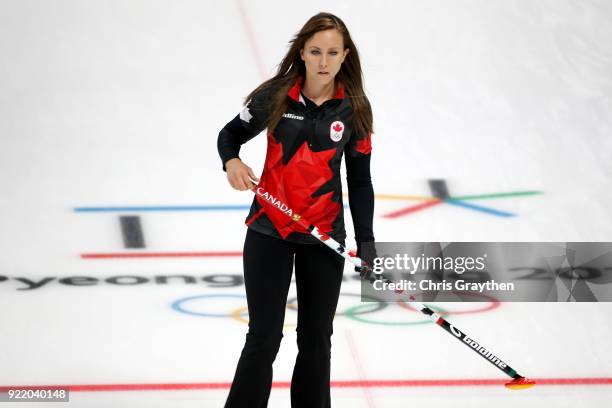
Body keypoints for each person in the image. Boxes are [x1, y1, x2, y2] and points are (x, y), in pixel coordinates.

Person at [217, 12, 375, 408]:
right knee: (265, 335)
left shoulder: (354, 109)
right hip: (268, 228)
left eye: (332, 52)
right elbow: (230, 134)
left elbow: (359, 181)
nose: (323, 61)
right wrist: (232, 161)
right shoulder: (275, 96)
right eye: (316, 51)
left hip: (323, 236)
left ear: (345, 56)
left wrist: (368, 242)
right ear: (302, 52)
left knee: (317, 338)